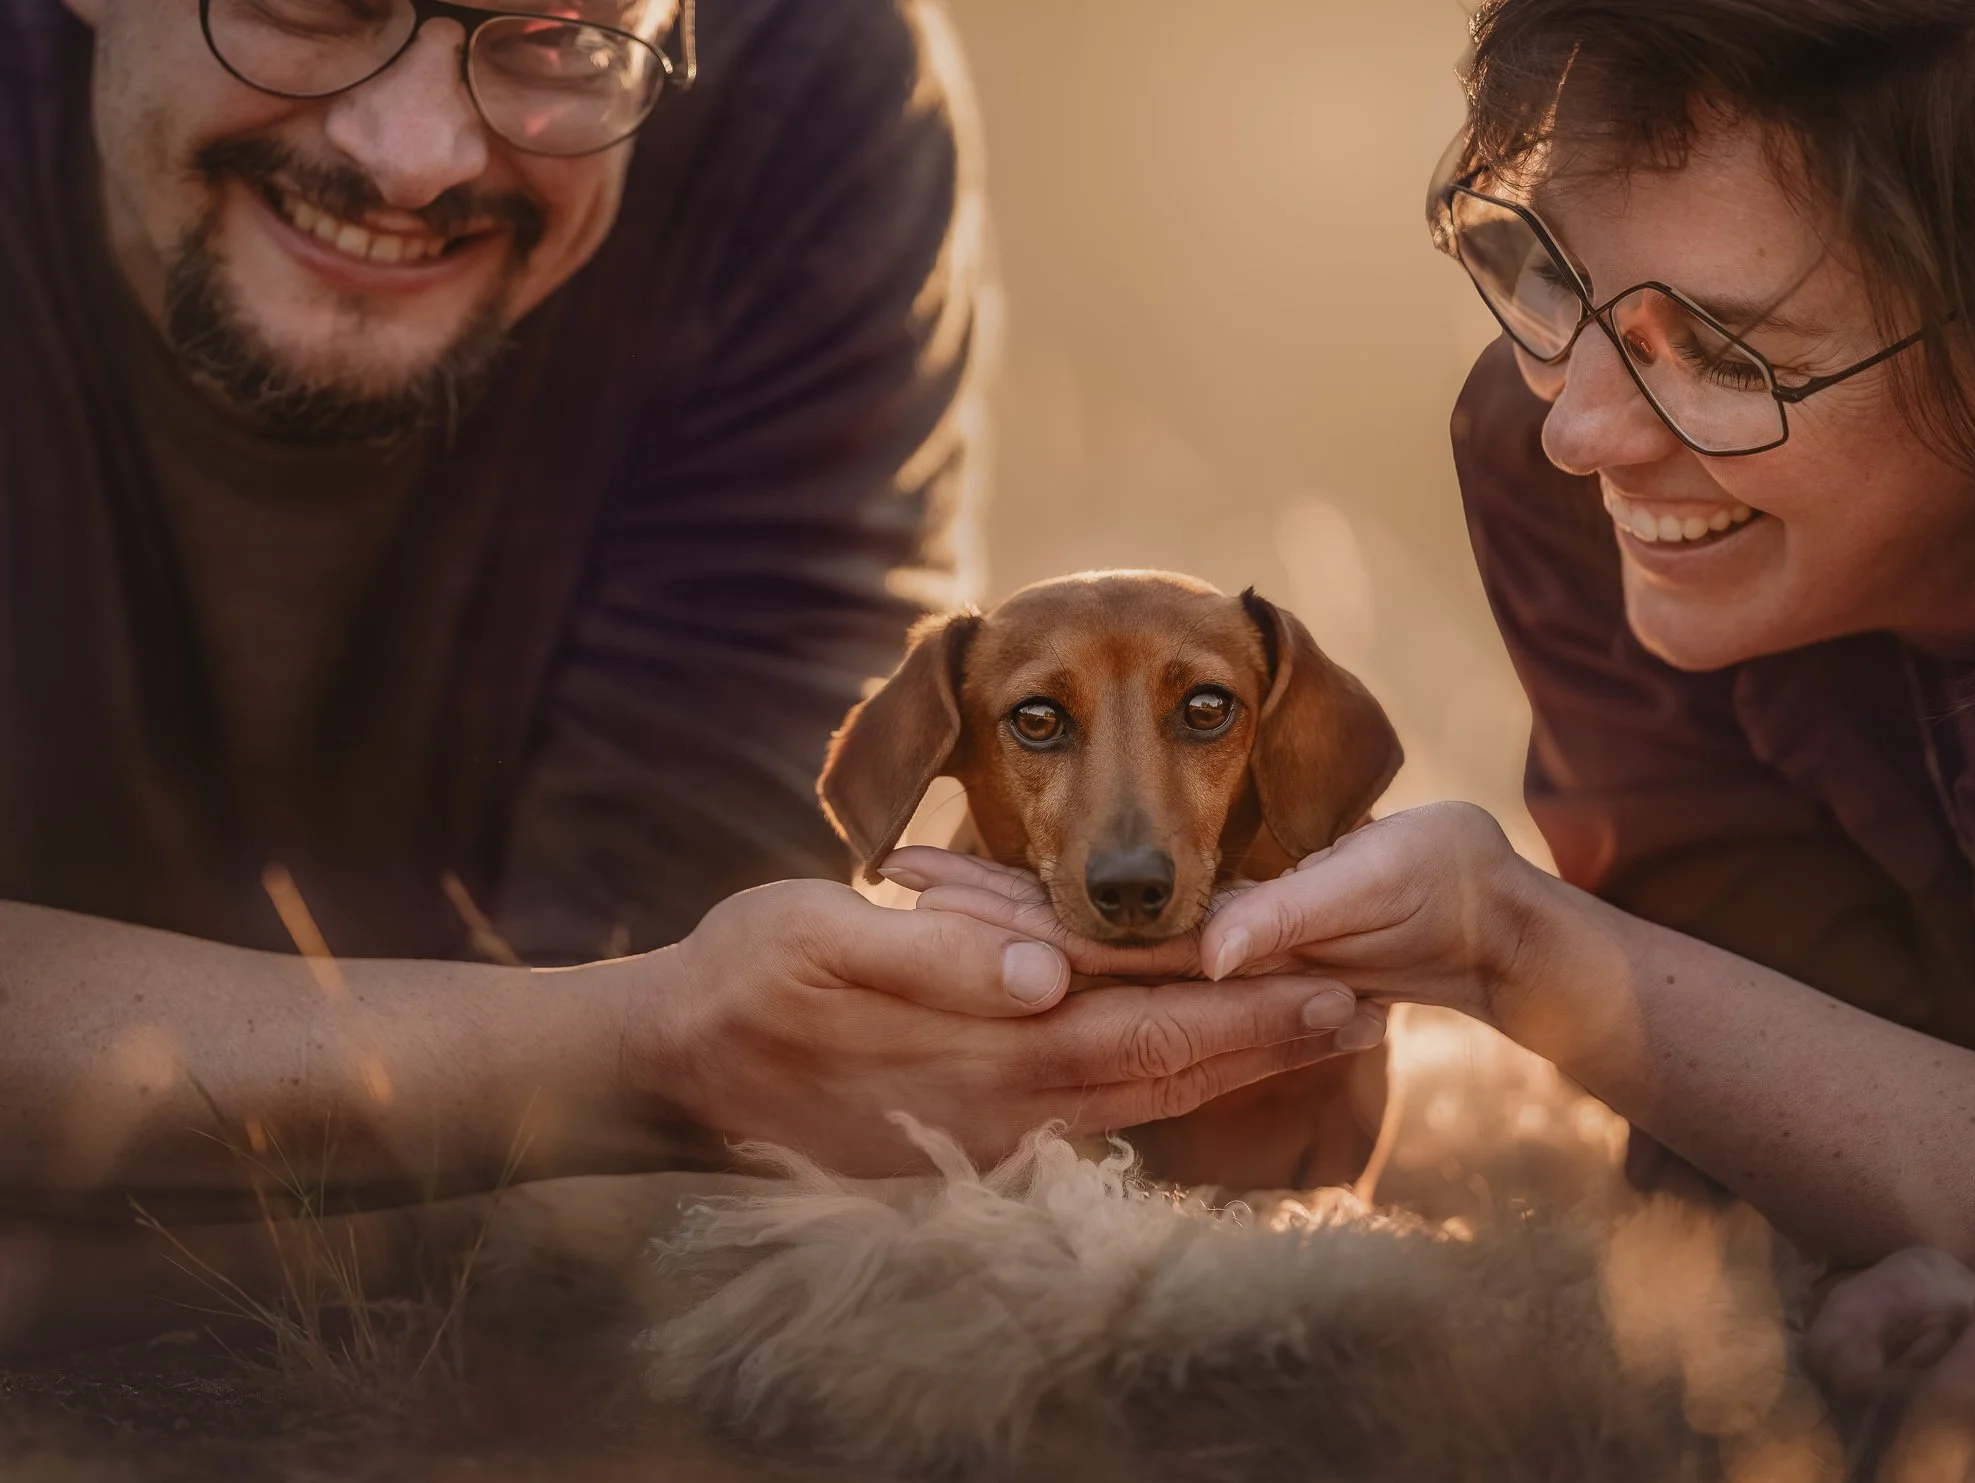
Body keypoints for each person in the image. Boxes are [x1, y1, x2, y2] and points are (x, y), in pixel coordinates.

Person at [0, 0, 1371, 1351]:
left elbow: (630, 1171)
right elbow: (649, 1066)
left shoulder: (806, 98)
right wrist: (641, 1049)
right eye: (311, 2)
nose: (414, 152)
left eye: (556, 33)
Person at [886, 0, 1975, 1455]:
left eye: (1728, 353)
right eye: (1551, 276)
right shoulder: (1571, 493)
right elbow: (1749, 1124)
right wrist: (1506, 943)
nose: (1581, 429)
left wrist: (1519, 945)